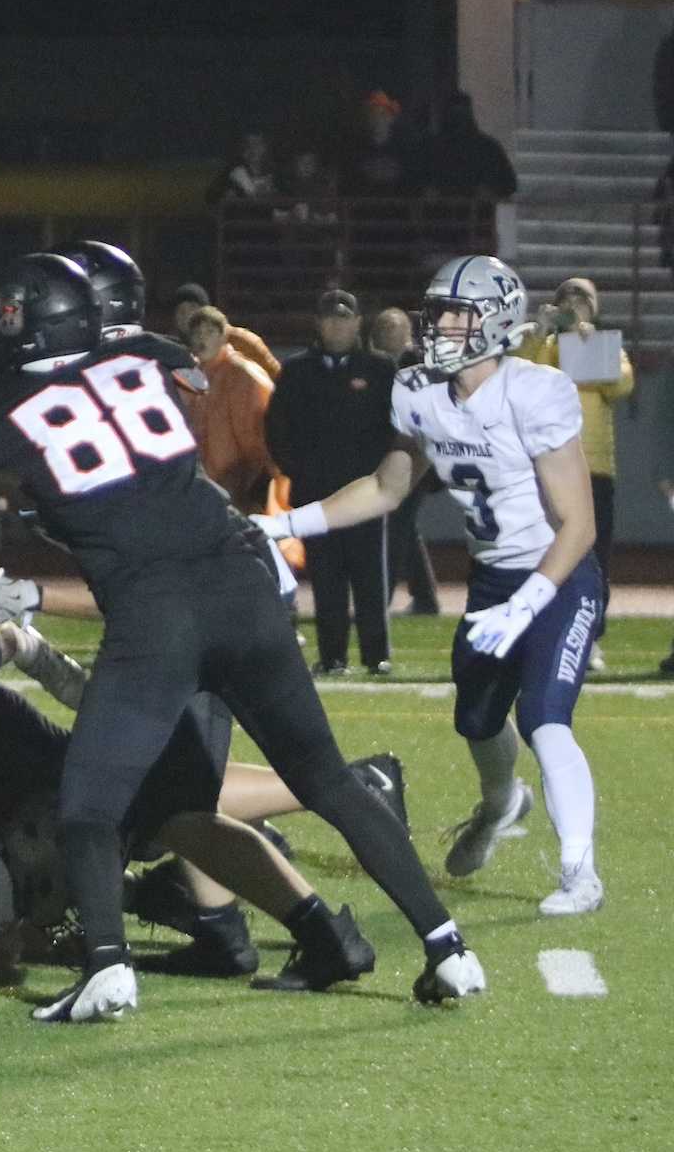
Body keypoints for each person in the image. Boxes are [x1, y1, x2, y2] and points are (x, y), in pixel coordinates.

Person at [0, 248, 482, 1022]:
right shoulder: (147, 359)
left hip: (158, 611)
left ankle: (108, 967)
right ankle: (448, 948)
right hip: (243, 583)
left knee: (89, 804)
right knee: (324, 781)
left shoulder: (2, 415)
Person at [260, 256, 606, 916]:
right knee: (475, 720)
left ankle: (579, 871)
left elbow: (580, 525)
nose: (439, 324)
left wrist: (530, 601)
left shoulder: (536, 391)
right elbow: (387, 488)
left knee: (544, 721)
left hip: (559, 576)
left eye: (455, 313)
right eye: (437, 311)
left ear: (494, 321)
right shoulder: (418, 389)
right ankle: (502, 803)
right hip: (492, 581)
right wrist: (283, 525)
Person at [266, 289, 394, 674]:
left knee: (371, 576)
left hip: (366, 492)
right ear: (318, 323)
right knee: (326, 578)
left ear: (358, 322)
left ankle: (377, 656)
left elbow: (396, 429)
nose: (336, 324)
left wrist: (383, 477)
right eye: (329, 317)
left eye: (344, 317)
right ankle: (333, 655)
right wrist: (298, 471)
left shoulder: (380, 370)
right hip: (316, 494)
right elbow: (276, 429)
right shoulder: (296, 371)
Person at [523, 277, 628, 672]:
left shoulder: (602, 345)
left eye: (581, 300)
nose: (574, 305)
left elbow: (620, 384)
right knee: (545, 554)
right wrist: (539, 333)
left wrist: (587, 343)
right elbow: (518, 377)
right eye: (567, 299)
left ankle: (590, 638)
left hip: (595, 467)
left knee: (594, 558)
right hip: (549, 467)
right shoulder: (542, 346)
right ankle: (544, 633)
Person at [370, 305, 441, 615]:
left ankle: (380, 598)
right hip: (394, 456)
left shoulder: (419, 366)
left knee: (396, 526)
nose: (390, 338)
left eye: (394, 332)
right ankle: (425, 598)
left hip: (417, 458)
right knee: (404, 528)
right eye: (385, 332)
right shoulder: (376, 366)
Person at [180, 305, 276, 515]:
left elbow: (261, 438)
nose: (201, 339)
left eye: (209, 332)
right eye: (197, 333)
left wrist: (253, 486)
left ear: (223, 335)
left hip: (242, 493)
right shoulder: (192, 377)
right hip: (209, 493)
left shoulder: (243, 374)